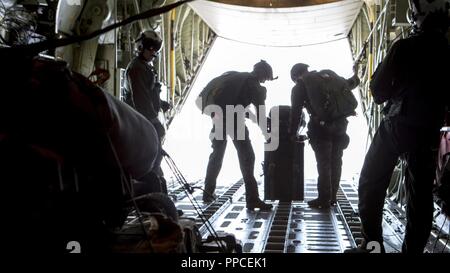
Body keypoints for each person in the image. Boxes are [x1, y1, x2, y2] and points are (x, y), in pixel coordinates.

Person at [350, 0, 450, 253]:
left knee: (371, 182)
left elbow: (379, 91)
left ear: (416, 17)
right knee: (420, 195)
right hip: (428, 130)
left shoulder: (405, 47)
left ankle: (372, 246)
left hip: (397, 124)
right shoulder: (447, 51)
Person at [197, 60, 275, 210]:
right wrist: (268, 134)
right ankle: (252, 199)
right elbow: (260, 113)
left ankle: (207, 193)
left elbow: (239, 106)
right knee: (248, 157)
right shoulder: (255, 86)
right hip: (234, 121)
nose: (265, 81)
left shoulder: (237, 77)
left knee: (217, 155)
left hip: (218, 118)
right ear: (262, 74)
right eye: (266, 78)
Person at [289, 63, 360, 209]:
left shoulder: (300, 85)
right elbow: (349, 84)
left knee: (324, 164)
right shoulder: (328, 77)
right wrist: (357, 73)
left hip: (321, 128)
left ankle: (324, 198)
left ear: (296, 76)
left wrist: (292, 134)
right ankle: (333, 197)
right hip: (340, 126)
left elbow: (295, 113)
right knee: (336, 161)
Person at [124, 30, 171, 194]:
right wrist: (155, 123)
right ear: (141, 47)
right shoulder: (136, 68)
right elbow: (141, 100)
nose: (153, 53)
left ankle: (161, 200)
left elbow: (149, 94)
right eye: (151, 48)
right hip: (140, 123)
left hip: (145, 121)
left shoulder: (145, 67)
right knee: (151, 162)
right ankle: (157, 201)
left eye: (155, 50)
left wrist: (161, 103)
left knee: (155, 162)